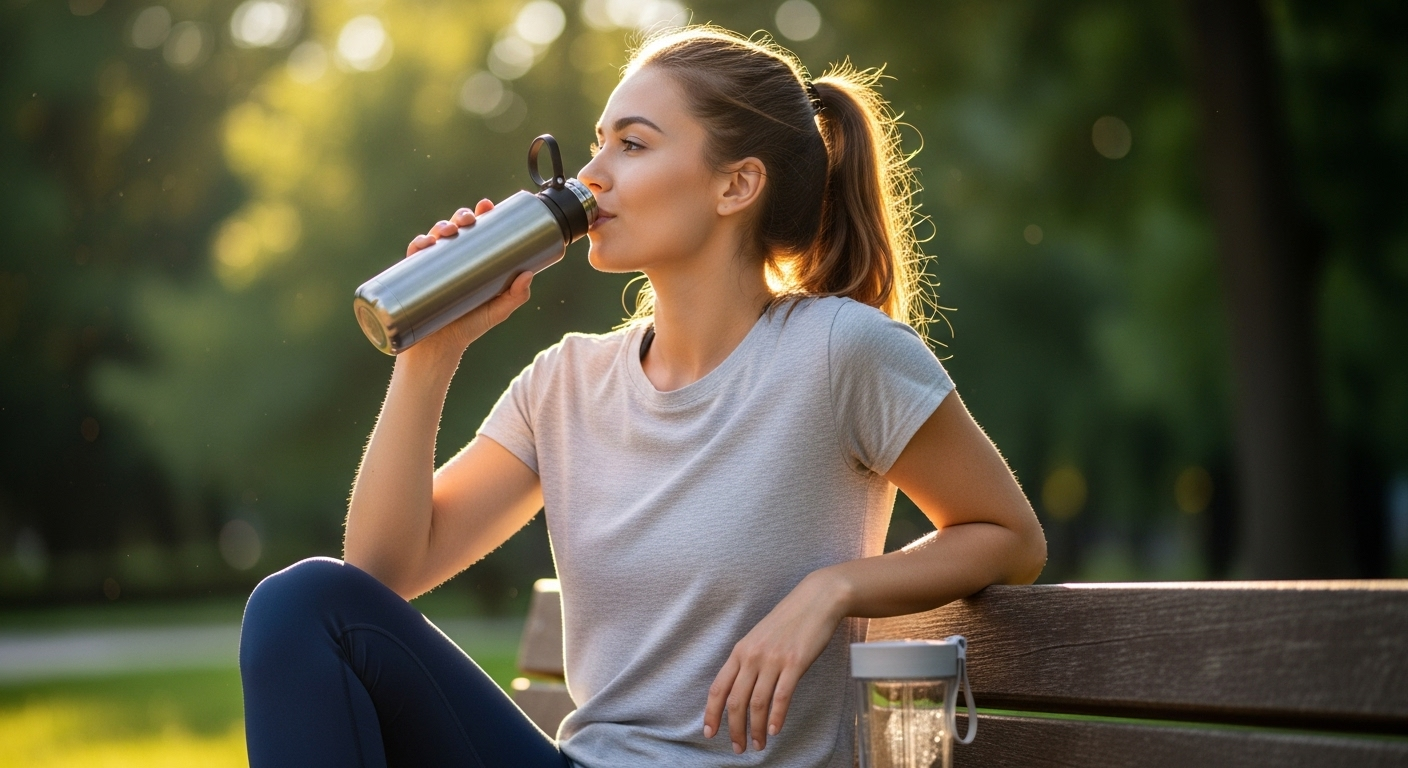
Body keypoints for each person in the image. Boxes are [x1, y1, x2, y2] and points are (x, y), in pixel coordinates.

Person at [239, 25, 1046, 768]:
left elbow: (1008, 536)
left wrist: (831, 590)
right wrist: (430, 355)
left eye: (632, 144)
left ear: (736, 185)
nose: (592, 175)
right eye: (598, 143)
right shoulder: (565, 382)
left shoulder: (840, 352)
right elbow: (381, 575)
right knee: (300, 605)